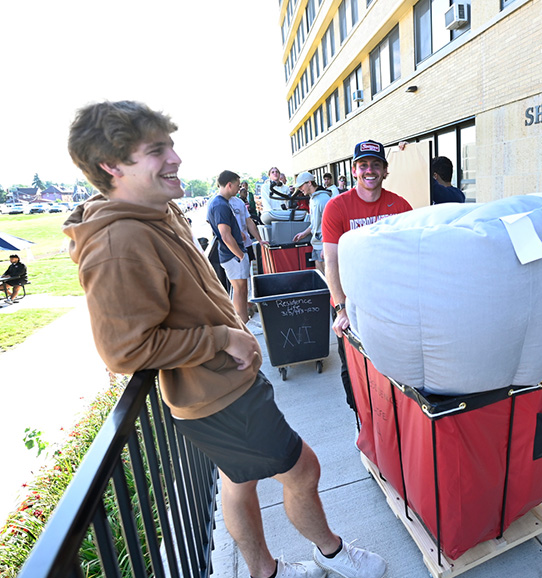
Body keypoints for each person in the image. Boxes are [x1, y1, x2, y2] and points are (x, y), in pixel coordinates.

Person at [64, 101, 386, 578]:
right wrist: (220, 338)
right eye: (157, 150)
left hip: (223, 387)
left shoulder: (156, 209)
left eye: (170, 145)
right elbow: (123, 350)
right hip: (217, 397)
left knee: (238, 482)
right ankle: (332, 554)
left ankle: (264, 573)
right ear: (112, 167)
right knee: (304, 470)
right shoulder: (117, 244)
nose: (175, 159)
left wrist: (231, 331)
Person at [322, 140, 412, 411]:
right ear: (354, 170)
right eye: (363, 165)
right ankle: (361, 421)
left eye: (376, 165)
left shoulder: (400, 206)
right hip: (349, 305)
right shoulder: (336, 207)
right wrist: (341, 308)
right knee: (355, 370)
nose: (369, 170)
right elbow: (331, 262)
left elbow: (409, 260)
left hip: (389, 305)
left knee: (392, 369)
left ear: (385, 170)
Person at [208, 170, 250, 324]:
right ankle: (244, 323)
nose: (239, 189)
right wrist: (240, 255)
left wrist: (239, 234)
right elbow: (225, 235)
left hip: (230, 254)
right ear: (229, 185)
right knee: (240, 290)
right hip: (232, 255)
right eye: (238, 186)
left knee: (240, 289)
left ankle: (243, 321)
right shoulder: (220, 205)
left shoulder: (219, 203)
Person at [292, 172, 332, 274]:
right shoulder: (313, 199)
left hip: (323, 247)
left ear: (309, 183)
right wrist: (304, 233)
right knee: (323, 280)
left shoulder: (323, 199)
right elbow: (315, 223)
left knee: (328, 282)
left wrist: (326, 247)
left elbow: (331, 225)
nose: (300, 189)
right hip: (317, 245)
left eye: (301, 186)